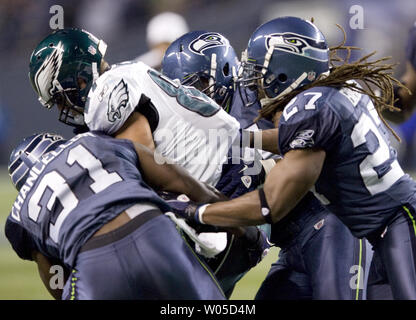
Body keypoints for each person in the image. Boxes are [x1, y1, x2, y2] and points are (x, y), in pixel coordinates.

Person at [168, 16, 416, 300]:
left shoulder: (305, 106)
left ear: (286, 69)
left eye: (261, 71)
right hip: (312, 236)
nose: (255, 81)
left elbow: (270, 204)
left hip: (342, 224)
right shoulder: (325, 94)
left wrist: (197, 213)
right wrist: (240, 138)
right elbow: (293, 138)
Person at [28, 28, 269, 298]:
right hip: (227, 189)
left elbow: (147, 165)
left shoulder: (107, 91)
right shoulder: (126, 73)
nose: (65, 109)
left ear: (81, 79)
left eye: (62, 97)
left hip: (225, 195)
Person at [6, 131, 227, 300]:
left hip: (92, 260)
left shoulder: (20, 213)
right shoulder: (94, 140)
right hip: (151, 229)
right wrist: (231, 216)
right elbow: (180, 181)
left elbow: (57, 281)